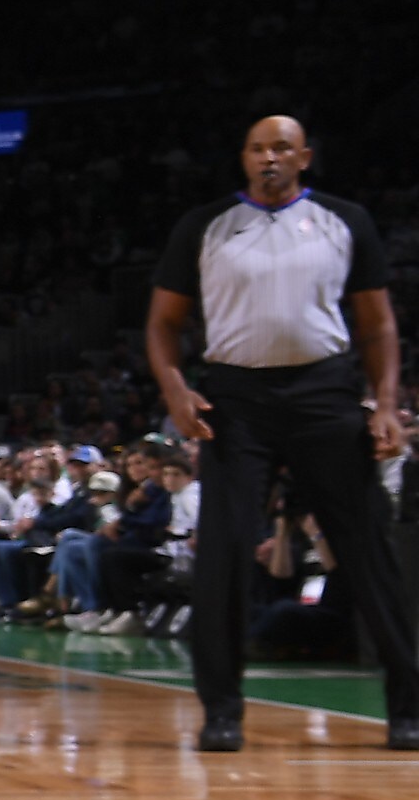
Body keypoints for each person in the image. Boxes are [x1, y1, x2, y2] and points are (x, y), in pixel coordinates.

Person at [149, 115, 419, 750]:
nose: (269, 157)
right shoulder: (205, 225)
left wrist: (383, 404)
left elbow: (377, 325)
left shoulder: (344, 220)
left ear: (305, 158)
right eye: (257, 148)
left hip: (325, 391)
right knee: (223, 551)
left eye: (281, 148)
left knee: (368, 549)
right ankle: (222, 711)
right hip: (234, 399)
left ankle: (408, 709)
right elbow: (163, 323)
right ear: (243, 158)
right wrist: (175, 389)